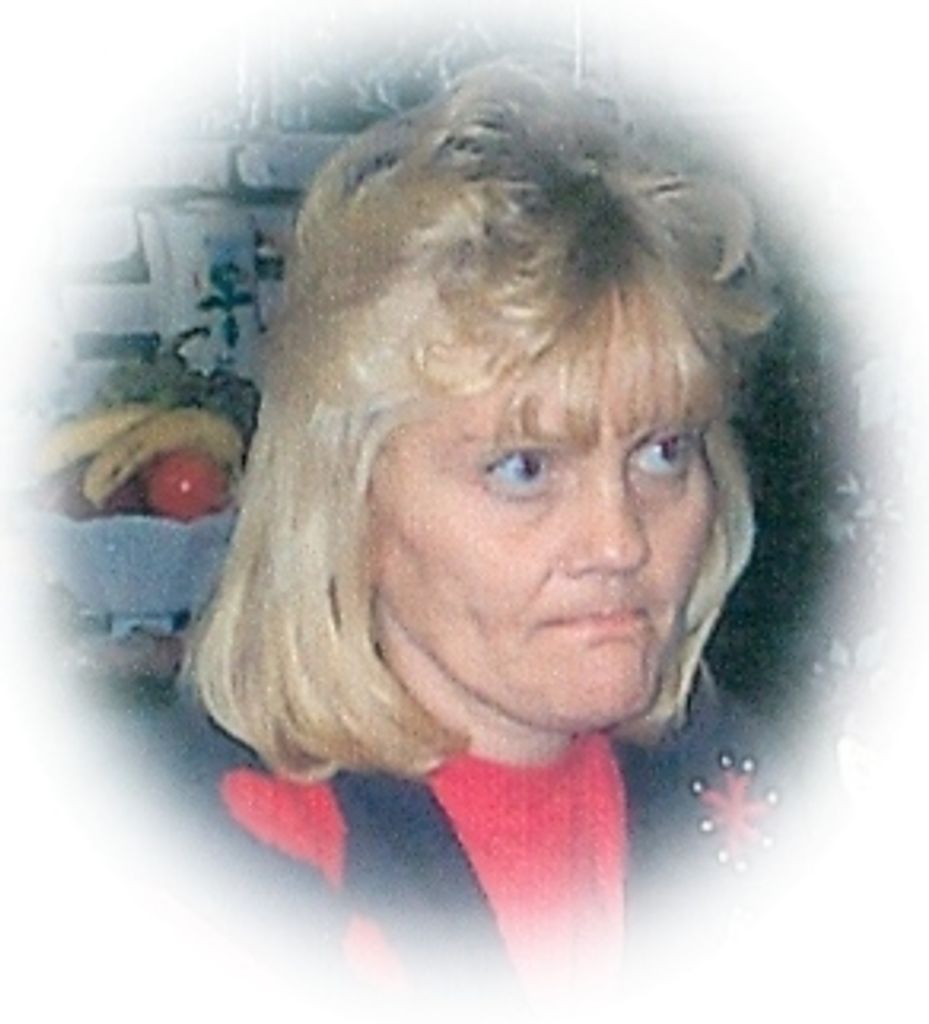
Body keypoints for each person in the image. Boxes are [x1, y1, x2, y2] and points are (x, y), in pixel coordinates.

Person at [186, 58, 787, 1004]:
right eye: (523, 469)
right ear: (349, 506)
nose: (619, 542)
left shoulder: (756, 803)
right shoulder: (216, 868)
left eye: (662, 452)